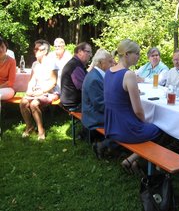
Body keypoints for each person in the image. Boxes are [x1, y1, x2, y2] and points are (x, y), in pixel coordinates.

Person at [104, 39, 161, 174]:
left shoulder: (108, 71)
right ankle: (136, 162)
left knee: (152, 126)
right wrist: (144, 123)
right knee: (159, 129)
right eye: (137, 54)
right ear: (127, 54)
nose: (139, 57)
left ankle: (133, 160)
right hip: (126, 129)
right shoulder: (128, 74)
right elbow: (138, 111)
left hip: (111, 126)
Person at [19, 40, 58, 140]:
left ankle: (41, 130)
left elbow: (53, 82)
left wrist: (42, 91)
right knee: (23, 102)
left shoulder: (52, 63)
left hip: (50, 92)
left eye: (37, 49)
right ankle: (29, 126)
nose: (35, 51)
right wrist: (29, 89)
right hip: (37, 91)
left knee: (34, 104)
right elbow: (32, 79)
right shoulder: (35, 64)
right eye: (34, 49)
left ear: (45, 51)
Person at [81, 49, 114, 150]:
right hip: (93, 117)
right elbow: (101, 105)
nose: (113, 64)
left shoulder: (97, 74)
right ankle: (106, 145)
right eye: (110, 61)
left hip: (92, 112)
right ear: (100, 63)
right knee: (125, 120)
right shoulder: (95, 78)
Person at [60, 42, 92, 110]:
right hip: (74, 104)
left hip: (72, 102)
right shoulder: (75, 66)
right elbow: (84, 87)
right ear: (80, 52)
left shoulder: (76, 63)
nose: (90, 55)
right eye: (88, 52)